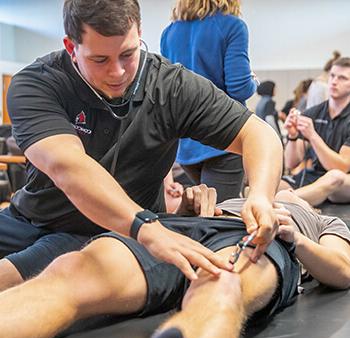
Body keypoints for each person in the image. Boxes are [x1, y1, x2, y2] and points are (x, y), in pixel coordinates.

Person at [0, 0, 282, 292]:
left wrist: (260, 194)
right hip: (31, 216)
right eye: (100, 60)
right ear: (72, 48)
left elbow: (259, 134)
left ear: (139, 34)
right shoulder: (37, 84)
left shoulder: (169, 85)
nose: (118, 72)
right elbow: (68, 167)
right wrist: (147, 228)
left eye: (128, 54)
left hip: (105, 232)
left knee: (12, 278)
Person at [0, 189, 349, 338]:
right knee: (72, 269)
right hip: (184, 228)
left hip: (262, 239)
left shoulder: (320, 220)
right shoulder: (247, 190)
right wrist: (188, 205)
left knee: (223, 286)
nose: (287, 188)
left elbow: (343, 270)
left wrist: (295, 237)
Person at [160, 0, 257, 202]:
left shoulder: (169, 33)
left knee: (211, 209)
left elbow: (169, 90)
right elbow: (239, 88)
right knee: (220, 217)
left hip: (186, 143)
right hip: (224, 138)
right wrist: (253, 82)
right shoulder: (232, 26)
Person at [281, 57, 350, 206]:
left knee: (334, 177)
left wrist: (312, 136)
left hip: (344, 181)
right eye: (332, 76)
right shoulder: (312, 113)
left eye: (342, 78)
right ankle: (282, 199)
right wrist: (292, 136)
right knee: (275, 184)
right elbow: (291, 163)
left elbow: (342, 167)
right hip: (316, 177)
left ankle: (287, 201)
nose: (334, 81)